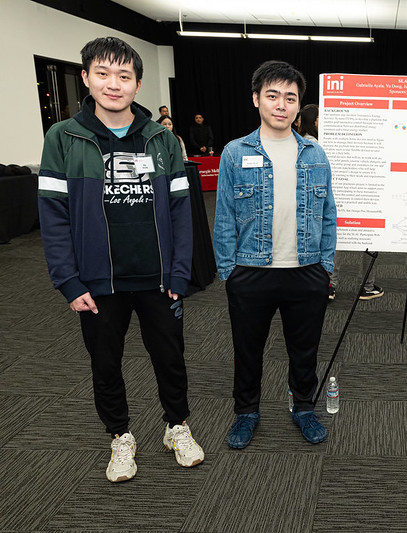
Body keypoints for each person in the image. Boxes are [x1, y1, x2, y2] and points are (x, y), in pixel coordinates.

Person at [38, 36, 204, 483]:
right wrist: (69, 283)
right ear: (87, 78)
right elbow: (53, 218)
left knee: (171, 358)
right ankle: (120, 436)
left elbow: (181, 214)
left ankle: (177, 427)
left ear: (138, 83)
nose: (114, 84)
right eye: (104, 74)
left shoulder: (161, 140)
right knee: (105, 363)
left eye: (125, 76)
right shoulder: (63, 138)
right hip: (96, 283)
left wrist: (180, 271)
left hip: (158, 279)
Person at [214, 60, 336, 448]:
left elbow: (329, 214)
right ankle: (246, 412)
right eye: (272, 96)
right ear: (256, 100)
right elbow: (224, 218)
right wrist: (228, 272)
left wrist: (326, 268)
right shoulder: (235, 153)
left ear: (299, 105)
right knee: (247, 350)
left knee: (305, 350)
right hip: (251, 270)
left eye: (290, 97)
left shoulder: (315, 154)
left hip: (306, 269)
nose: (281, 105)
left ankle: (303, 408)